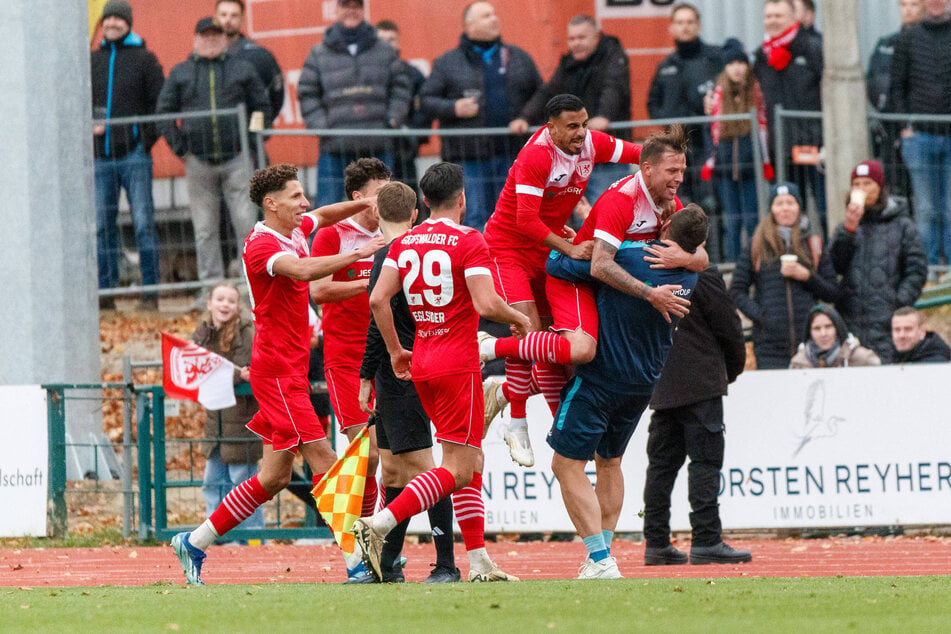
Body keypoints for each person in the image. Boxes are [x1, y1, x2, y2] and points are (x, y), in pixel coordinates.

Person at [170, 163, 385, 586]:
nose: (305, 203)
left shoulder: (295, 227)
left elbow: (322, 216)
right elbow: (305, 273)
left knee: (274, 477)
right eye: (295, 197)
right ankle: (358, 561)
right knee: (326, 462)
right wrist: (362, 253)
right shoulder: (261, 245)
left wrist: (363, 203)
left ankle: (193, 542)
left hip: (291, 369)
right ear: (271, 204)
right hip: (277, 373)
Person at [353, 162, 531, 583]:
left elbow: (378, 300)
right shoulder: (469, 239)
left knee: (468, 458)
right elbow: (487, 305)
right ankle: (378, 525)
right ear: (463, 199)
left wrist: (397, 350)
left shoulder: (405, 242)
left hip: (423, 362)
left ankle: (479, 562)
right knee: (457, 468)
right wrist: (518, 319)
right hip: (458, 364)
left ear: (425, 202)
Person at [480, 125, 707, 441]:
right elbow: (600, 266)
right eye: (672, 170)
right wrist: (650, 293)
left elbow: (702, 258)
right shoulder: (623, 199)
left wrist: (681, 257)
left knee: (574, 363)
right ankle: (492, 348)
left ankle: (504, 392)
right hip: (570, 279)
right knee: (581, 350)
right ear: (648, 169)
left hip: (597, 285)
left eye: (682, 169)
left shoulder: (670, 203)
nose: (679, 177)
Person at [544, 205, 710, 579]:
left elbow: (556, 264)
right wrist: (695, 255)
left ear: (664, 226)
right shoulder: (690, 271)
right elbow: (700, 258)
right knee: (610, 462)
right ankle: (603, 554)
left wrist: (575, 243)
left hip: (601, 377)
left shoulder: (632, 257)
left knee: (564, 464)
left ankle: (600, 559)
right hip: (642, 384)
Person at [481, 94, 641, 466]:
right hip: (508, 250)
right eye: (572, 126)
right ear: (550, 126)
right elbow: (524, 221)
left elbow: (637, 153)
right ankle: (517, 421)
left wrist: (666, 154)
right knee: (527, 327)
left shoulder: (590, 143)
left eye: (584, 123)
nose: (581, 132)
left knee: (556, 347)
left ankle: (506, 393)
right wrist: (568, 249)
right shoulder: (536, 154)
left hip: (546, 248)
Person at [359, 181, 460, 583]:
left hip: (400, 372)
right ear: (415, 213)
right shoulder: (424, 249)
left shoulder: (391, 254)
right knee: (394, 472)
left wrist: (365, 373)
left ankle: (447, 563)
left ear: (376, 215)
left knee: (423, 467)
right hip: (411, 366)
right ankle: (389, 564)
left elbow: (376, 322)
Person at [157, 17, 270, 300]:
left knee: (246, 224)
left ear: (224, 38)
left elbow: (262, 105)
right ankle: (211, 288)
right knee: (205, 229)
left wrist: (252, 141)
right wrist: (181, 150)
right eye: (205, 36)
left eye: (215, 35)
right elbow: (163, 112)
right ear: (195, 39)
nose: (210, 40)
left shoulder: (241, 68)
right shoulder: (181, 72)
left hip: (237, 160)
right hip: (198, 162)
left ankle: (249, 286)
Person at [643, 264, 749, 567]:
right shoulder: (703, 273)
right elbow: (729, 327)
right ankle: (706, 539)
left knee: (661, 468)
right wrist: (728, 371)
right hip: (701, 382)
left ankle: (656, 542)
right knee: (705, 463)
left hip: (662, 380)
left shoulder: (646, 268)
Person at [309, 158, 388, 529]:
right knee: (367, 454)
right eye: (377, 194)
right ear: (358, 198)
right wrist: (369, 283)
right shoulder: (332, 235)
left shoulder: (397, 230)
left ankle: (376, 537)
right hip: (346, 357)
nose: (384, 201)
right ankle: (361, 531)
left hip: (390, 353)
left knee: (395, 456)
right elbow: (319, 290)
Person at [420, 1, 542, 230]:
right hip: (468, 159)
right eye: (486, 16)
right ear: (469, 25)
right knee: (473, 217)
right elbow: (426, 100)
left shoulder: (518, 57)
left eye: (494, 14)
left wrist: (525, 117)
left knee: (513, 220)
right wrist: (454, 108)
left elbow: (541, 94)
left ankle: (507, 265)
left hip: (513, 155)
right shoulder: (448, 62)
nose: (494, 19)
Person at [297, 0, 412, 207]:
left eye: (356, 6)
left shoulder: (385, 50)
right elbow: (307, 93)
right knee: (327, 210)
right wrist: (323, 127)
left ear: (363, 10)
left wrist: (393, 120)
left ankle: (387, 242)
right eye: (346, 5)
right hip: (334, 145)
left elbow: (401, 88)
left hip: (379, 143)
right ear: (337, 10)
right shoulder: (318, 53)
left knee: (385, 207)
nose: (352, 11)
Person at [91, 0, 164, 311]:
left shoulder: (145, 59)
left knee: (144, 223)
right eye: (107, 19)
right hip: (99, 159)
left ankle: (150, 294)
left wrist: (142, 141)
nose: (112, 24)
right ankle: (105, 295)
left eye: (118, 19)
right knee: (101, 225)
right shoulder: (91, 60)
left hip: (134, 156)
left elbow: (158, 105)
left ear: (128, 23)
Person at [510, 15, 631, 202]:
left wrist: (604, 115)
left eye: (581, 38)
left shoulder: (614, 58)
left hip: (606, 154)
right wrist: (525, 117)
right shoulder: (568, 63)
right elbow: (548, 92)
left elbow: (613, 87)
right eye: (571, 39)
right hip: (574, 154)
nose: (575, 43)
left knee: (604, 209)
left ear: (596, 37)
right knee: (576, 215)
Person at [730, 182, 838, 369]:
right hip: (769, 345)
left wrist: (807, 276)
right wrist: (761, 316)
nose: (785, 208)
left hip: (810, 343)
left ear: (799, 207)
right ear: (771, 209)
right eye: (779, 203)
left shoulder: (814, 244)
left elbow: (833, 292)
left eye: (790, 202)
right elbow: (737, 290)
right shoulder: (757, 245)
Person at [830, 160, 927, 363]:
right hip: (850, 322)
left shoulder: (903, 226)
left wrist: (897, 302)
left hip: (887, 323)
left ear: (880, 187)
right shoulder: (845, 228)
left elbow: (916, 270)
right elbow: (834, 266)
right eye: (857, 184)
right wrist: (848, 230)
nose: (862, 189)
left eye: (867, 183)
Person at [192, 282, 264, 538]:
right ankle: (214, 538)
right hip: (216, 425)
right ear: (209, 304)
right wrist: (234, 374)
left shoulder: (246, 333)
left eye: (230, 301)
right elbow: (198, 362)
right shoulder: (203, 332)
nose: (225, 305)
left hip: (242, 424)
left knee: (243, 486)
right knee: (213, 484)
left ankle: (252, 538)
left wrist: (235, 375)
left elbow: (246, 366)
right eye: (219, 299)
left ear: (238, 307)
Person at [753, 0, 825, 235]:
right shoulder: (761, 56)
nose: (772, 20)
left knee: (824, 210)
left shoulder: (813, 47)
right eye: (768, 16)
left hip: (814, 147)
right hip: (780, 150)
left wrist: (827, 141)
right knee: (789, 215)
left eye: (778, 15)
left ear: (794, 17)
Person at [889, 0, 951, 266]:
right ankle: (928, 269)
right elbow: (897, 86)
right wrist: (905, 127)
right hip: (919, 138)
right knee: (925, 209)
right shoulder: (908, 38)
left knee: (950, 208)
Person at [703, 38, 773, 263]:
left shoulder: (756, 91)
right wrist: (711, 161)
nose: (736, 67)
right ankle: (733, 265)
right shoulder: (717, 93)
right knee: (732, 223)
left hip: (750, 166)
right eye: (731, 63)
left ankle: (754, 263)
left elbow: (762, 127)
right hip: (724, 168)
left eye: (740, 63)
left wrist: (765, 161)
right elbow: (712, 131)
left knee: (752, 220)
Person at [647, 3, 722, 209]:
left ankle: (715, 243)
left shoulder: (715, 59)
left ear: (698, 25)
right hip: (676, 148)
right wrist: (667, 122)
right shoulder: (666, 66)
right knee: (681, 206)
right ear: (671, 27)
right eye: (680, 22)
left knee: (712, 204)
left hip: (708, 147)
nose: (685, 27)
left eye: (690, 22)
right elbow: (652, 102)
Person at [866, 0, 923, 198]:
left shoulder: (931, 41)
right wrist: (884, 105)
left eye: (914, 4)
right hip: (889, 125)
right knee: (893, 183)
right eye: (904, 4)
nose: (908, 10)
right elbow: (873, 80)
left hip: (921, 127)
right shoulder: (886, 43)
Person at [376, 20, 430, 204]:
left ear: (398, 42)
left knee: (409, 200)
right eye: (381, 40)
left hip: (404, 151)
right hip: (377, 149)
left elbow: (425, 107)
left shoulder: (413, 74)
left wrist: (414, 136)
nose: (387, 45)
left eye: (391, 39)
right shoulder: (370, 75)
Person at [214, 0, 285, 124]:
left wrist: (255, 132)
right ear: (215, 17)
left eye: (234, 15)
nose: (228, 20)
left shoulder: (259, 55)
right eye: (223, 15)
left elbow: (275, 97)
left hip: (247, 137)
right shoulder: (202, 57)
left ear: (242, 19)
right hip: (212, 138)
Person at [789, 304, 881, 368]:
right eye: (817, 328)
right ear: (809, 333)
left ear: (837, 328)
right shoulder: (798, 363)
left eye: (828, 327)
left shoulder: (861, 358)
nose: (823, 334)